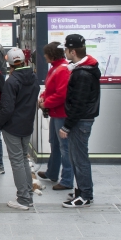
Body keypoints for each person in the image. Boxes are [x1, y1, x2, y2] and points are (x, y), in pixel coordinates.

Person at [59, 34, 101, 207]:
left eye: (66, 50)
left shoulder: (82, 74)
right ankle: (81, 190)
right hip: (82, 119)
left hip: (80, 121)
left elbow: (79, 103)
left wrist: (67, 126)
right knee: (77, 157)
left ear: (73, 51)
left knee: (79, 158)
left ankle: (85, 195)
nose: (65, 53)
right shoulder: (84, 69)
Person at [0, 47, 39, 210]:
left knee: (17, 162)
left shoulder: (11, 81)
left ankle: (23, 199)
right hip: (27, 125)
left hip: (12, 127)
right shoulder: (33, 78)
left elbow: (7, 108)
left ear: (10, 63)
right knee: (23, 159)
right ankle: (28, 194)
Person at [37, 42, 72, 191]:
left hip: (61, 113)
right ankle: (52, 171)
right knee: (55, 143)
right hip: (56, 112)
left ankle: (67, 180)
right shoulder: (55, 68)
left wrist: (46, 103)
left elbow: (61, 94)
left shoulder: (62, 70)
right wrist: (43, 96)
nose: (44, 56)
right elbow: (50, 89)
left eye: (45, 53)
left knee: (64, 147)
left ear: (51, 55)